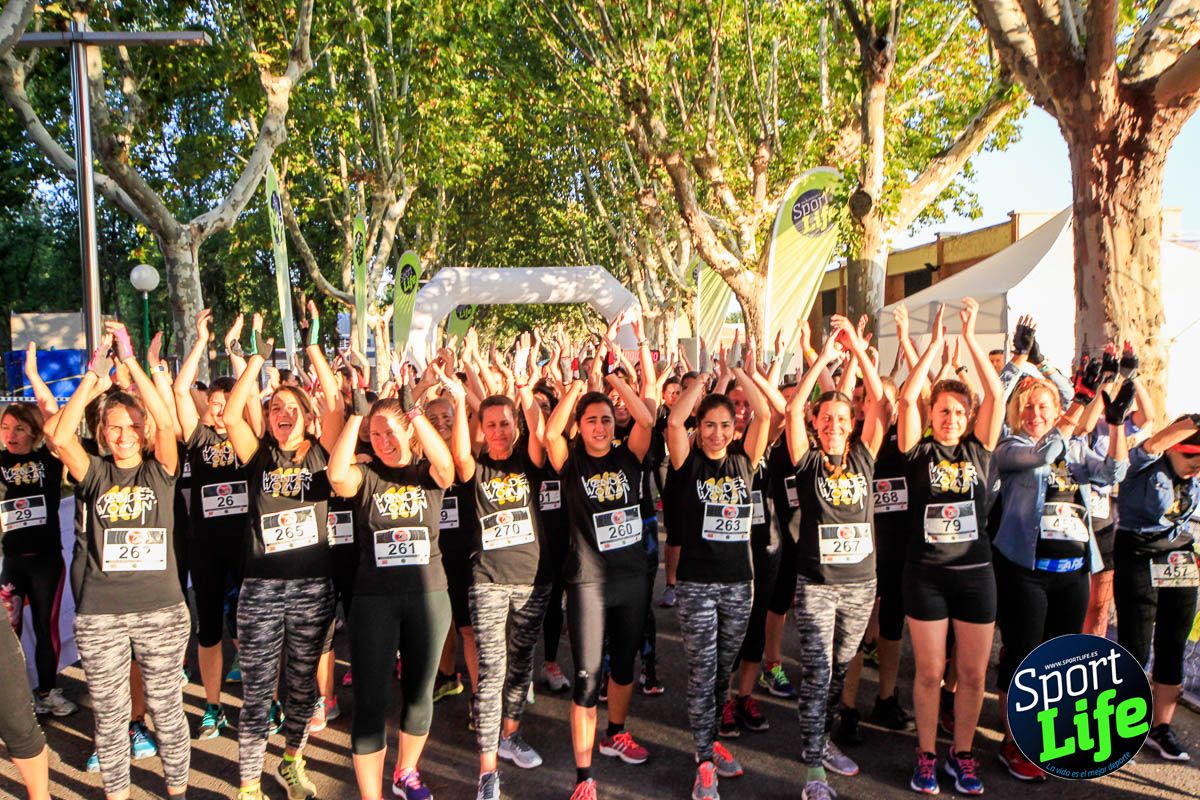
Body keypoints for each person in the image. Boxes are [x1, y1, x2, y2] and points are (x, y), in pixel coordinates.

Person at [50, 324, 192, 800]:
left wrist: (131, 363)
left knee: (166, 710)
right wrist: (92, 378)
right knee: (109, 719)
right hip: (100, 615)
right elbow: (58, 436)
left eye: (133, 426)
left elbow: (167, 425)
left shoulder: (161, 468)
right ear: (102, 432)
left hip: (162, 612)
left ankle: (177, 792)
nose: (125, 433)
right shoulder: (93, 472)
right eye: (114, 426)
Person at [221, 305, 345, 800]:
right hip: (262, 588)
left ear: (308, 417)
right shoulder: (258, 454)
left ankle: (291, 760)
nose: (284, 416)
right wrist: (256, 361)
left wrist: (314, 348)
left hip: (314, 587)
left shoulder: (322, 449)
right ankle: (249, 784)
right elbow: (232, 414)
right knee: (255, 692)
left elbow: (336, 406)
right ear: (269, 418)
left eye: (294, 410)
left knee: (303, 689)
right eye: (276, 410)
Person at [992, 369, 1131, 780]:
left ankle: (1047, 737)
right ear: (1018, 414)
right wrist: (1079, 404)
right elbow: (1042, 455)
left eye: (1043, 407)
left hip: (1072, 573)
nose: (1035, 413)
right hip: (1026, 571)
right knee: (1022, 658)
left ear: (1056, 410)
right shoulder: (1012, 446)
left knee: (1059, 664)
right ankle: (1014, 742)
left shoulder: (1074, 449)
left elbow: (1112, 474)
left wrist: (1117, 422)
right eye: (1028, 407)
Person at [328, 371, 456, 800]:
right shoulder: (365, 477)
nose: (383, 441)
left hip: (428, 596)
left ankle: (406, 772)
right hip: (373, 600)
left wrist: (414, 411)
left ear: (410, 431)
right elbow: (335, 474)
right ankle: (371, 795)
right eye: (375, 434)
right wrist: (356, 419)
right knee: (371, 699)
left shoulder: (426, 474)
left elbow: (448, 466)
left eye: (391, 431)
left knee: (420, 693)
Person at [896, 300, 1003, 796]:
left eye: (960, 412)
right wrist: (936, 344)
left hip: (976, 574)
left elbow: (997, 395)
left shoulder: (979, 449)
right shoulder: (918, 450)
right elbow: (907, 397)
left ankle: (963, 755)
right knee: (930, 672)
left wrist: (972, 338)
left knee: (972, 672)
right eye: (943, 411)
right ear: (932, 415)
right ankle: (925, 755)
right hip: (926, 575)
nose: (951, 418)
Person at [544, 341, 657, 800]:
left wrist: (612, 381)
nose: (598, 425)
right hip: (588, 582)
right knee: (589, 675)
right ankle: (584, 774)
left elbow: (647, 420)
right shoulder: (569, 462)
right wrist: (577, 388)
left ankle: (618, 733)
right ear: (580, 426)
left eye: (606, 419)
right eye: (590, 420)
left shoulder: (629, 456)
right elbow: (552, 434)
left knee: (624, 667)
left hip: (632, 577)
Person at [782, 317, 886, 800]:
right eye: (827, 420)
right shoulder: (806, 461)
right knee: (819, 672)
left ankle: (821, 741)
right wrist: (824, 354)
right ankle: (813, 775)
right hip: (818, 583)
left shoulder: (864, 456)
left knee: (841, 669)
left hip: (862, 583)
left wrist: (859, 352)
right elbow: (795, 407)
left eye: (842, 420)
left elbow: (880, 404)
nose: (834, 425)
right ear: (817, 426)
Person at [667, 363, 770, 800]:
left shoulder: (744, 461)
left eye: (725, 425)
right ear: (699, 427)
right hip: (696, 585)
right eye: (709, 425)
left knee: (721, 672)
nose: (716, 433)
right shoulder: (686, 463)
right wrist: (702, 380)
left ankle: (709, 741)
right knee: (702, 670)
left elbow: (764, 415)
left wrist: (742, 373)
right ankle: (704, 762)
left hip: (738, 584)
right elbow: (673, 420)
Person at [450, 376, 552, 800]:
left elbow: (538, 429)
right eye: (490, 424)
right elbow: (458, 453)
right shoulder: (475, 466)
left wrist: (526, 393)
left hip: (532, 578)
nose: (498, 432)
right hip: (488, 580)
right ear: (481, 428)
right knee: (492, 673)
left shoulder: (528, 460)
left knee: (522, 664)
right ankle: (488, 770)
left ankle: (511, 735)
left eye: (504, 424)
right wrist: (460, 401)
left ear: (515, 426)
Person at [174, 309, 256, 739]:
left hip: (246, 549)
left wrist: (237, 351)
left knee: (249, 629)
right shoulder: (198, 440)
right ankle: (212, 706)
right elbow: (180, 387)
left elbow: (252, 398)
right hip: (205, 549)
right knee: (208, 631)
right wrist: (201, 341)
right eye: (216, 404)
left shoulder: (249, 439)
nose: (220, 409)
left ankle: (266, 699)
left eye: (228, 404)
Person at [1113, 414, 1200, 762]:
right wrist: (1192, 420)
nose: (1195, 467)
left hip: (1178, 556)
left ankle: (1160, 727)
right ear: (1171, 448)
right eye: (1190, 458)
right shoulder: (1144, 465)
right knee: (1134, 643)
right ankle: (1125, 726)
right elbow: (1149, 447)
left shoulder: (1191, 476)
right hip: (1138, 553)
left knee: (1172, 643)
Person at [0, 401, 74, 717]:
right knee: (8, 631)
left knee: (46, 628)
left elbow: (61, 429)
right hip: (12, 563)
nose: (11, 435)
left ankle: (46, 691)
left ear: (34, 431)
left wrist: (34, 378)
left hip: (46, 561)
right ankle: (14, 702)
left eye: (19, 428)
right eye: (5, 428)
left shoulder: (48, 460)